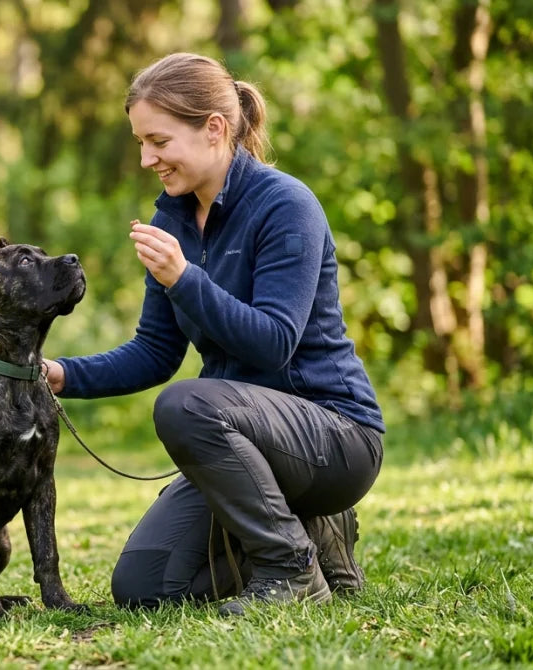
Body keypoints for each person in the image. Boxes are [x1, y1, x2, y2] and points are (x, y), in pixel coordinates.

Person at [42, 52, 385, 616]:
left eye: (159, 141)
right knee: (144, 587)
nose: (148, 158)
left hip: (334, 434)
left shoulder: (285, 205)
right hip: (244, 442)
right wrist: (61, 374)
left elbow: (275, 341)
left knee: (185, 404)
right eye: (140, 143)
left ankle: (291, 573)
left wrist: (184, 277)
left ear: (215, 129)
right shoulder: (172, 219)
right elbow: (155, 352)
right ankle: (313, 540)